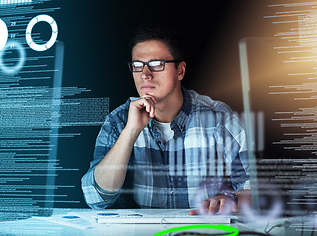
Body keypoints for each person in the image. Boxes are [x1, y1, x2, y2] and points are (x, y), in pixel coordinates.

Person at [81, 26, 251, 215]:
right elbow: (95, 198)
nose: (145, 74)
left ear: (180, 71)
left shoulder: (220, 118)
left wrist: (231, 199)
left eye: (156, 64)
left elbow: (258, 191)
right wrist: (130, 132)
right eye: (137, 65)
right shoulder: (118, 121)